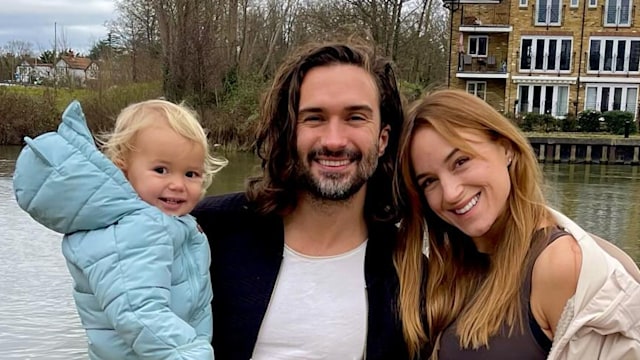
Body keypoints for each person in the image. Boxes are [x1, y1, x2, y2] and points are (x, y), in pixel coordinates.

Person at [191, 41, 410, 359]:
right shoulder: (205, 233)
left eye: (355, 118)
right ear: (289, 133)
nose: (334, 141)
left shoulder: (408, 267)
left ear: (382, 140)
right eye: (314, 118)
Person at [394, 89, 640, 359]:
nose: (450, 192)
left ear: (507, 149)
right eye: (429, 181)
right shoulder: (456, 268)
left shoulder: (558, 265)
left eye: (461, 161)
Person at [13, 99, 227, 359]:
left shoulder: (165, 223)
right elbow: (137, 313)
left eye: (191, 174)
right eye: (161, 170)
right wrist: (190, 354)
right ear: (123, 169)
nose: (178, 184)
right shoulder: (135, 230)